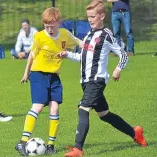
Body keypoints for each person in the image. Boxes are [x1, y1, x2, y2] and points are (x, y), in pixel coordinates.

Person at [58, 1, 147, 156]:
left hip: (96, 81)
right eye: (88, 17)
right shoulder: (88, 36)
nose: (90, 20)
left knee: (83, 109)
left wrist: (118, 69)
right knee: (104, 114)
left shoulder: (106, 35)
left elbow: (123, 55)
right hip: (85, 82)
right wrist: (67, 54)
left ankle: (78, 149)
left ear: (102, 16)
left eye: (93, 16)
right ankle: (135, 133)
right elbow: (83, 58)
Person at [15, 7, 83, 156]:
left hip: (54, 77)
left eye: (52, 26)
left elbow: (80, 43)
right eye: (46, 26)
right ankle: (22, 142)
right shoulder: (39, 36)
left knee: (55, 109)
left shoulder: (65, 35)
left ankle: (51, 145)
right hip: (38, 74)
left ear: (59, 22)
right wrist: (26, 74)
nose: (49, 29)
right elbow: (32, 56)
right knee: (38, 107)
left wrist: (92, 47)